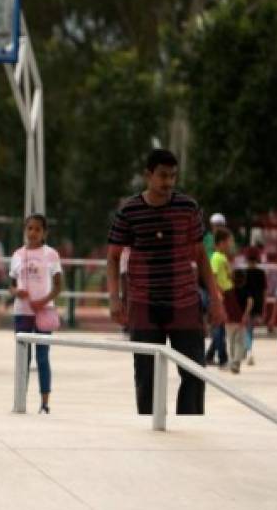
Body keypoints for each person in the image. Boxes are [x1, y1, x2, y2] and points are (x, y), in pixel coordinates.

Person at [107, 148, 226, 416]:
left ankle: (191, 425)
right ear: (148, 175)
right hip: (143, 303)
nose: (168, 183)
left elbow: (200, 257)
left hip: (184, 302)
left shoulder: (188, 207)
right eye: (162, 176)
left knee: (194, 372)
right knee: (146, 375)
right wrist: (114, 298)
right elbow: (113, 257)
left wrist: (215, 300)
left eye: (173, 176)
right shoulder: (129, 210)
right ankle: (150, 427)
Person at [9, 213, 63, 414]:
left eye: (37, 229)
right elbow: (12, 284)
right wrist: (16, 292)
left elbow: (58, 286)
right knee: (23, 357)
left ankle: (44, 402)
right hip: (22, 312)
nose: (33, 233)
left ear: (44, 232)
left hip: (43, 312)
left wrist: (44, 301)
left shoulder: (51, 254)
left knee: (42, 357)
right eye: (29, 228)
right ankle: (19, 399)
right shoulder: (17, 255)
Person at [204, 228, 234, 368]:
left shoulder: (222, 257)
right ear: (221, 242)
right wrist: (218, 293)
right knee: (219, 328)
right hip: (220, 296)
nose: (230, 244)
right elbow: (213, 277)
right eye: (229, 241)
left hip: (225, 295)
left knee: (220, 327)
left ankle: (209, 356)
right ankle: (223, 358)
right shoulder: (216, 257)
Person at [240, 246, 267, 366]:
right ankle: (248, 349)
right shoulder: (261, 273)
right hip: (257, 302)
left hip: (245, 303)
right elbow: (265, 291)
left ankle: (248, 350)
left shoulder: (243, 273)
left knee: (246, 328)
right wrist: (264, 306)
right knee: (249, 328)